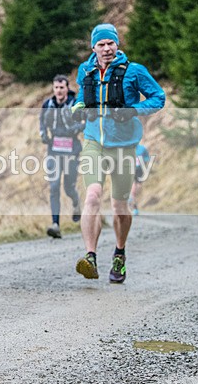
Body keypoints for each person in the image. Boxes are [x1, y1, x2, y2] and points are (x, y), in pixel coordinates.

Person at [71, 23, 165, 283]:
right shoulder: (85, 70)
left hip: (124, 146)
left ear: (117, 44)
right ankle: (90, 257)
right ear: (93, 47)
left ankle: (119, 253)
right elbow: (81, 96)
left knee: (119, 205)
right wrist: (76, 107)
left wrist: (134, 110)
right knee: (92, 196)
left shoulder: (134, 71)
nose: (106, 48)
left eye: (110, 43)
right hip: (93, 143)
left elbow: (158, 97)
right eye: (101, 44)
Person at [39, 75, 84, 238]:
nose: (58, 91)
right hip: (54, 150)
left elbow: (84, 122)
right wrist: (43, 134)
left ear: (67, 88)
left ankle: (76, 201)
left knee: (68, 187)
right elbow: (41, 122)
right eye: (56, 88)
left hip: (72, 150)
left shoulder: (75, 104)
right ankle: (55, 224)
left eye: (61, 88)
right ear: (53, 88)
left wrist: (76, 128)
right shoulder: (48, 105)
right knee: (54, 186)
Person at [128, 143, 151, 216]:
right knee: (133, 189)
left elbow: (147, 158)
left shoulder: (142, 148)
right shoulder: (127, 148)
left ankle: (131, 198)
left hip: (140, 170)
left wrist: (144, 162)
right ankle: (134, 208)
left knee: (139, 187)